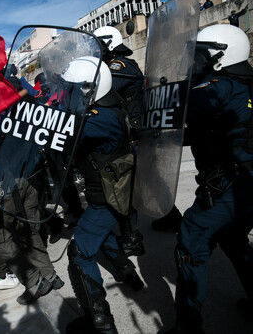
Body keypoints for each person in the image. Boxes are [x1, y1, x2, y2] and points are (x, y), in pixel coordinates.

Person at [163, 24, 253, 334]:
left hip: (230, 183)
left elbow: (177, 104)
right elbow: (210, 129)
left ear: (220, 59)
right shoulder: (243, 84)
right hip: (246, 182)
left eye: (201, 57)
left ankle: (188, 329)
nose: (195, 63)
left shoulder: (217, 87)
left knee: (191, 240)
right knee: (233, 238)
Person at [66, 57, 144, 334]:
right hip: (112, 193)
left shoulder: (99, 118)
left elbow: (66, 132)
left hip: (107, 195)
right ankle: (128, 274)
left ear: (90, 89)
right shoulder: (110, 106)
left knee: (80, 251)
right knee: (103, 236)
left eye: (75, 88)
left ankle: (100, 321)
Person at [94, 25, 145, 257]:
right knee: (134, 183)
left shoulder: (119, 66)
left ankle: (132, 238)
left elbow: (102, 90)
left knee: (124, 186)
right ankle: (170, 216)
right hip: (128, 131)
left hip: (131, 133)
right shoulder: (113, 65)